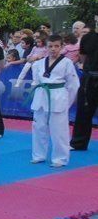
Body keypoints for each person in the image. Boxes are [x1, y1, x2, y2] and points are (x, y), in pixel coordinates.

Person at [31, 35, 80, 167]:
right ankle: (39, 155)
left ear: (62, 47)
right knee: (39, 127)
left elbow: (73, 84)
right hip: (41, 96)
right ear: (46, 47)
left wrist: (67, 102)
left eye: (56, 46)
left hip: (58, 97)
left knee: (59, 130)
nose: (53, 49)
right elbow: (36, 82)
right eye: (50, 46)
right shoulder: (39, 63)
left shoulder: (67, 63)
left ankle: (60, 158)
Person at [71, 21, 98, 151]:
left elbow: (83, 57)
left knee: (84, 112)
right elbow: (82, 56)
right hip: (90, 77)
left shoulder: (88, 37)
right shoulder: (88, 37)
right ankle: (78, 143)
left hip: (91, 75)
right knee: (84, 111)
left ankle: (79, 142)